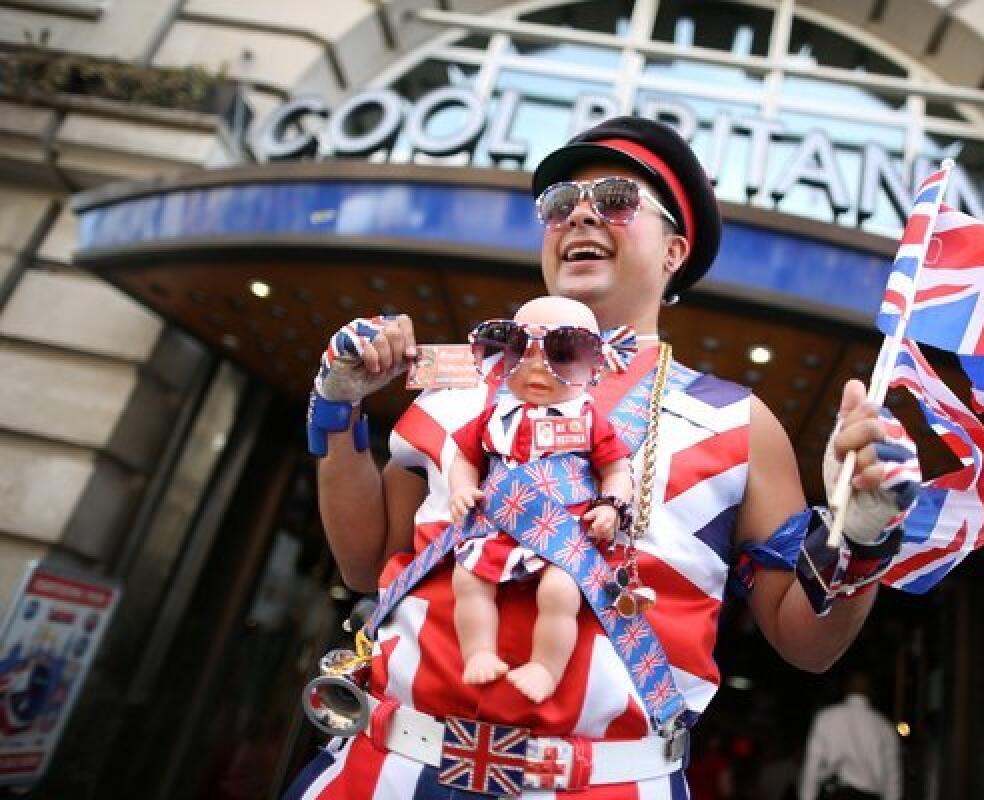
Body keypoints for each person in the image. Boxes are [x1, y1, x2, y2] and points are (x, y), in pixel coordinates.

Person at [291, 116, 921, 798]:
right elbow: (364, 563)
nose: (581, 213)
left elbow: (808, 642)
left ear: (675, 250)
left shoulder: (738, 420)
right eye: (561, 204)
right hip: (382, 769)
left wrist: (862, 538)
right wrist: (337, 406)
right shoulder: (454, 372)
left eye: (616, 200)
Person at [446, 295, 634, 703]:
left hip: (564, 536)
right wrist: (461, 488)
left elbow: (618, 471)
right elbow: (463, 456)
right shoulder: (492, 418)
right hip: (497, 527)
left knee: (561, 594)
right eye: (517, 348)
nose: (537, 365)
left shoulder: (589, 421)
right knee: (468, 579)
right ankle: (477, 651)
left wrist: (611, 506)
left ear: (596, 365)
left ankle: (546, 667)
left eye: (563, 351)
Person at [799, 672, 902, 800]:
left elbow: (812, 768)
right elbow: (893, 780)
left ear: (845, 687)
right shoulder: (885, 727)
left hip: (837, 794)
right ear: (870, 690)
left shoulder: (827, 717)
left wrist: (807, 797)